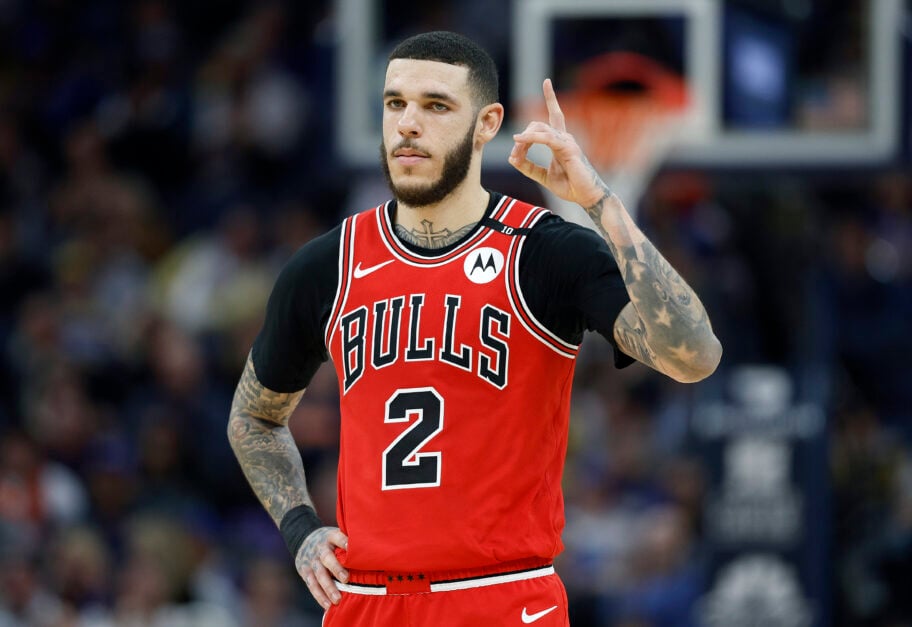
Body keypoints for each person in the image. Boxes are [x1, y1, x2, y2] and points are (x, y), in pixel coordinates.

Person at [227, 30, 721, 627]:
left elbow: (694, 355)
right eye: (395, 103)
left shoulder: (545, 251)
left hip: (502, 594)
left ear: (486, 123)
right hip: (368, 601)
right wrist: (300, 528)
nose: (408, 123)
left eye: (436, 105)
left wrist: (599, 201)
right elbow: (253, 416)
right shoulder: (327, 265)